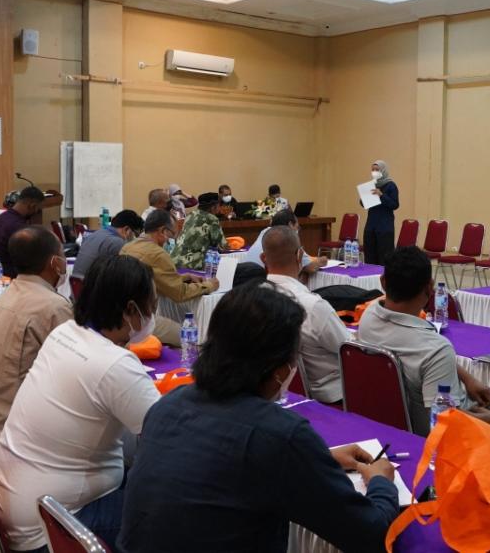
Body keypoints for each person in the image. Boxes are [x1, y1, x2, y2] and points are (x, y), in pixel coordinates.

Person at [119, 283, 398, 552]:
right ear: (278, 370)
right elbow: (369, 535)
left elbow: (220, 463)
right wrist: (381, 482)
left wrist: (319, 457)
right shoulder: (281, 434)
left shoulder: (167, 406)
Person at [0, 255, 162, 552]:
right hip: (52, 524)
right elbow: (167, 440)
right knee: (177, 512)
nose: (154, 313)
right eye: (153, 305)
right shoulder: (115, 363)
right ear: (131, 309)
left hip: (8, 500)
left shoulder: (65, 333)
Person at [361, 245, 490, 447]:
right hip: (433, 436)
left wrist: (466, 377)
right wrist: (489, 421)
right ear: (429, 288)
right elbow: (443, 425)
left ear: (383, 282)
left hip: (386, 423)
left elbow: (422, 357)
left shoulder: (369, 317)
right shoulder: (436, 349)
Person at [0, 226, 73, 460]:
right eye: (63, 254)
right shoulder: (52, 306)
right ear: (55, 262)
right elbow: (75, 374)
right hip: (7, 443)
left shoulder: (5, 296)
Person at [262, 226, 351, 403]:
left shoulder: (251, 299)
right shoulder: (313, 306)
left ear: (263, 259)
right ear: (300, 256)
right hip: (330, 397)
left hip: (279, 393)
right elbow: (351, 352)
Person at [120, 209, 218, 346]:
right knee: (191, 336)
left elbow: (152, 276)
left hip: (120, 315)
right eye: (171, 236)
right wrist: (210, 285)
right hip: (139, 319)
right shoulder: (158, 254)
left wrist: (183, 277)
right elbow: (180, 293)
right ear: (162, 231)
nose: (169, 242)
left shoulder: (127, 247)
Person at [243, 210, 327, 275]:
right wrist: (323, 260)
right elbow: (310, 267)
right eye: (297, 227)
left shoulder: (266, 232)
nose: (297, 231)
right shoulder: (286, 238)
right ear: (290, 225)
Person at [0, 186, 46, 277]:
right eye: (38, 209)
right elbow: (28, 257)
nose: (36, 212)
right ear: (32, 205)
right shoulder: (19, 227)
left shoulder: (1, 218)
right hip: (13, 275)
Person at [71, 209, 143, 280]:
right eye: (136, 234)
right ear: (127, 229)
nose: (135, 239)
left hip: (78, 285)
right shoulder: (117, 242)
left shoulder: (96, 234)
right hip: (92, 287)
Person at [171, 192, 225, 271]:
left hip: (174, 262)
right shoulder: (212, 219)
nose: (220, 208)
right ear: (214, 207)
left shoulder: (190, 215)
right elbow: (222, 245)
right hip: (191, 266)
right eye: (219, 205)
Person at [362, 160, 399, 265]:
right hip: (371, 226)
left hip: (384, 227)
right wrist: (364, 196)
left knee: (384, 258)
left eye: (377, 170)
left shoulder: (391, 185)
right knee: (370, 256)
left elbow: (395, 204)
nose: (374, 172)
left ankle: (384, 280)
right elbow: (364, 204)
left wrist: (381, 195)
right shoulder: (372, 185)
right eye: (372, 170)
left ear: (383, 170)